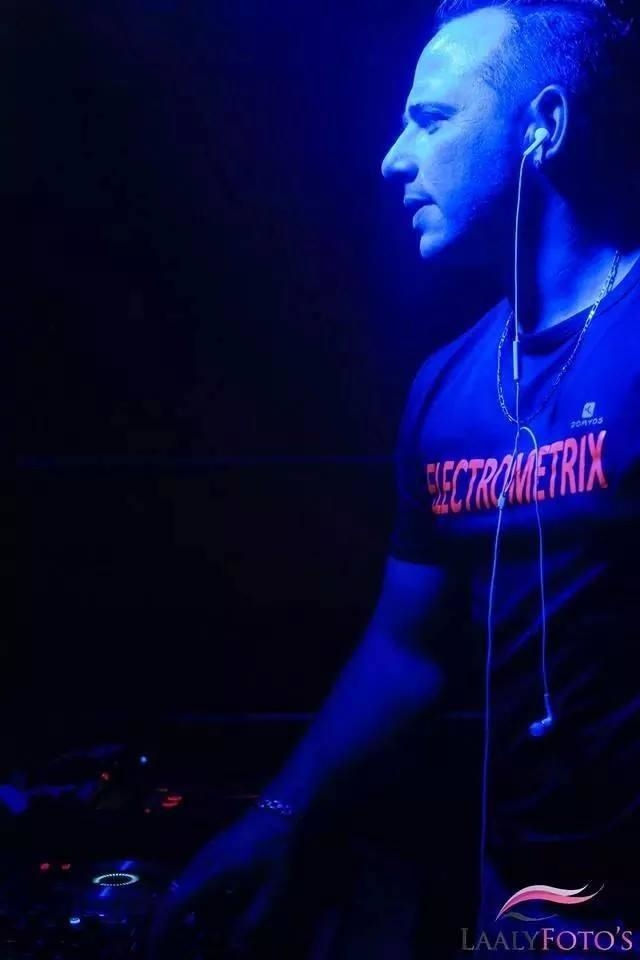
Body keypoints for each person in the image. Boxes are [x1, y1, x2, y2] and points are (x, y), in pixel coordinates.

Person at [150, 0, 640, 955]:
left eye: (432, 120)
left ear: (543, 125)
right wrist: (278, 816)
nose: (392, 159)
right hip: (521, 912)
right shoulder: (445, 390)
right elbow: (407, 651)